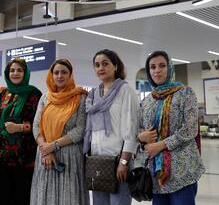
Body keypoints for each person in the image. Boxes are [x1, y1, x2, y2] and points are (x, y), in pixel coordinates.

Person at [138, 51, 205, 205]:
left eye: (162, 66)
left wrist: (160, 145)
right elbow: (140, 128)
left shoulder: (185, 93)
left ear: (170, 68)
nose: (157, 70)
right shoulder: (148, 100)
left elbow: (190, 129)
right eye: (152, 67)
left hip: (182, 169)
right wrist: (141, 137)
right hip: (156, 172)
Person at [84, 49, 139, 205]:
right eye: (97, 65)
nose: (101, 68)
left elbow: (131, 127)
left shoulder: (125, 90)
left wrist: (124, 162)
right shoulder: (93, 94)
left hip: (118, 161)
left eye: (105, 63)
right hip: (97, 161)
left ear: (115, 66)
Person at [30, 59, 88, 205]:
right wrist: (46, 149)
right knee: (45, 195)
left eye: (64, 72)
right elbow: (37, 126)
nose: (59, 76)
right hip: (46, 156)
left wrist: (53, 146)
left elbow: (80, 130)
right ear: (51, 75)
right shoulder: (45, 97)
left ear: (70, 75)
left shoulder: (80, 97)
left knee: (68, 196)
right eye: (56, 72)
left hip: (70, 156)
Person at [0, 58, 42, 205]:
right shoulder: (2, 96)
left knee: (23, 197)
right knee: (3, 197)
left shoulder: (35, 95)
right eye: (12, 70)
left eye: (20, 70)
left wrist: (20, 127)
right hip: (2, 157)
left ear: (25, 73)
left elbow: (40, 124)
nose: (15, 73)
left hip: (25, 158)